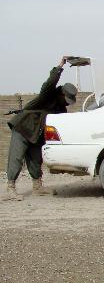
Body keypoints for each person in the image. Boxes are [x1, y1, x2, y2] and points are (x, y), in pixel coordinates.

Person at [1, 56, 77, 201]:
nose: (67, 103)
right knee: (16, 158)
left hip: (37, 134)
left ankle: (37, 187)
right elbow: (50, 83)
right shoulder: (47, 96)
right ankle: (10, 187)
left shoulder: (61, 108)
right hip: (23, 128)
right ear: (61, 93)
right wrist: (60, 66)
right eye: (66, 99)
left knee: (36, 159)